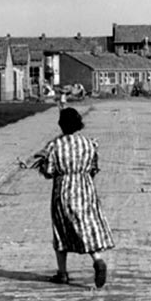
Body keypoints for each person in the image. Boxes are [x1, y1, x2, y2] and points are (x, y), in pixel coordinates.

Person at [36, 108, 115, 288]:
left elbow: (49, 171)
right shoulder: (89, 143)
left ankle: (62, 272)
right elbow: (94, 167)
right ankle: (97, 259)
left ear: (61, 124)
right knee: (86, 224)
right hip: (85, 188)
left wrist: (43, 167)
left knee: (61, 228)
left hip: (64, 189)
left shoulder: (54, 145)